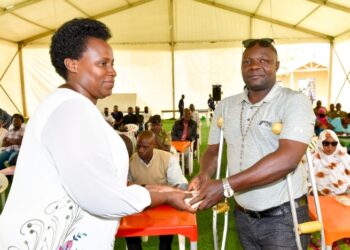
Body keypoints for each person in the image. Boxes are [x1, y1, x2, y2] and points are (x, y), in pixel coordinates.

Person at [0, 18, 194, 250]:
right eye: (102, 63)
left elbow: (101, 182)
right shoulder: (70, 110)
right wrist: (166, 197)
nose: (113, 71)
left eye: (112, 63)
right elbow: (102, 197)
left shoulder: (70, 106)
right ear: (72, 64)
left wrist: (171, 190)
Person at [188, 38, 315, 249]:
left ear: (277, 65)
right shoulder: (226, 105)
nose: (255, 66)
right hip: (243, 215)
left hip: (283, 217)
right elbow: (213, 150)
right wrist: (204, 174)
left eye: (264, 60)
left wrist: (226, 186)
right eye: (247, 62)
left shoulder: (294, 101)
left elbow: (288, 159)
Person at [127, 130, 188, 250]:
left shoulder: (167, 158)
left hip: (163, 207)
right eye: (138, 146)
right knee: (131, 236)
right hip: (139, 208)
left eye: (145, 147)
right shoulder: (131, 161)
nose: (140, 150)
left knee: (165, 243)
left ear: (153, 146)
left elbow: (181, 185)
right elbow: (125, 187)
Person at [310, 129, 350, 195]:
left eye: (334, 143)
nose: (330, 146)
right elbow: (304, 182)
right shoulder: (311, 158)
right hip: (319, 196)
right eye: (326, 143)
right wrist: (314, 192)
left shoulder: (345, 158)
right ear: (320, 143)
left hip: (344, 195)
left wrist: (346, 192)